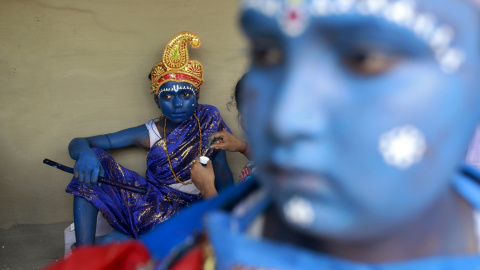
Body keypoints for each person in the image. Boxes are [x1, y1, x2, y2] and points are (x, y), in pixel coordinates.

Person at [45, 0, 480, 269]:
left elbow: (226, 188)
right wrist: (85, 153)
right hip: (171, 210)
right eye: (272, 58)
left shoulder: (212, 128)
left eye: (364, 63)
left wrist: (212, 188)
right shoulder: (243, 204)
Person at [65, 31, 233, 246]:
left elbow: (222, 170)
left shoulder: (209, 120)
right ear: (157, 100)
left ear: (197, 95)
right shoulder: (149, 132)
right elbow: (79, 143)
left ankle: (117, 242)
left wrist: (232, 214)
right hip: (150, 204)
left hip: (190, 210)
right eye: (168, 96)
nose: (178, 104)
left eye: (185, 94)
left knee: (183, 240)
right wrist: (85, 154)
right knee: (93, 158)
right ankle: (85, 249)